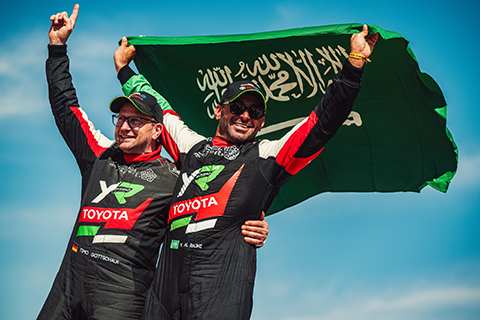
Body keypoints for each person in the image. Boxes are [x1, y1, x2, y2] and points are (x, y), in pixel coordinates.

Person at [114, 22, 378, 320]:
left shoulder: (266, 156)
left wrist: (355, 64)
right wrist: (125, 72)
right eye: (237, 107)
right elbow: (158, 107)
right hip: (165, 293)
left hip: (220, 291)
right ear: (219, 110)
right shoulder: (191, 147)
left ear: (262, 122)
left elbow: (321, 124)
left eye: (255, 112)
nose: (245, 116)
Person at [39, 5, 268, 320]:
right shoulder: (99, 153)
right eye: (121, 118)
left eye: (136, 121)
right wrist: (57, 49)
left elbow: (219, 206)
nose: (125, 126)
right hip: (68, 289)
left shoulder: (175, 179)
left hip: (122, 300)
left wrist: (254, 222)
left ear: (158, 130)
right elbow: (66, 105)